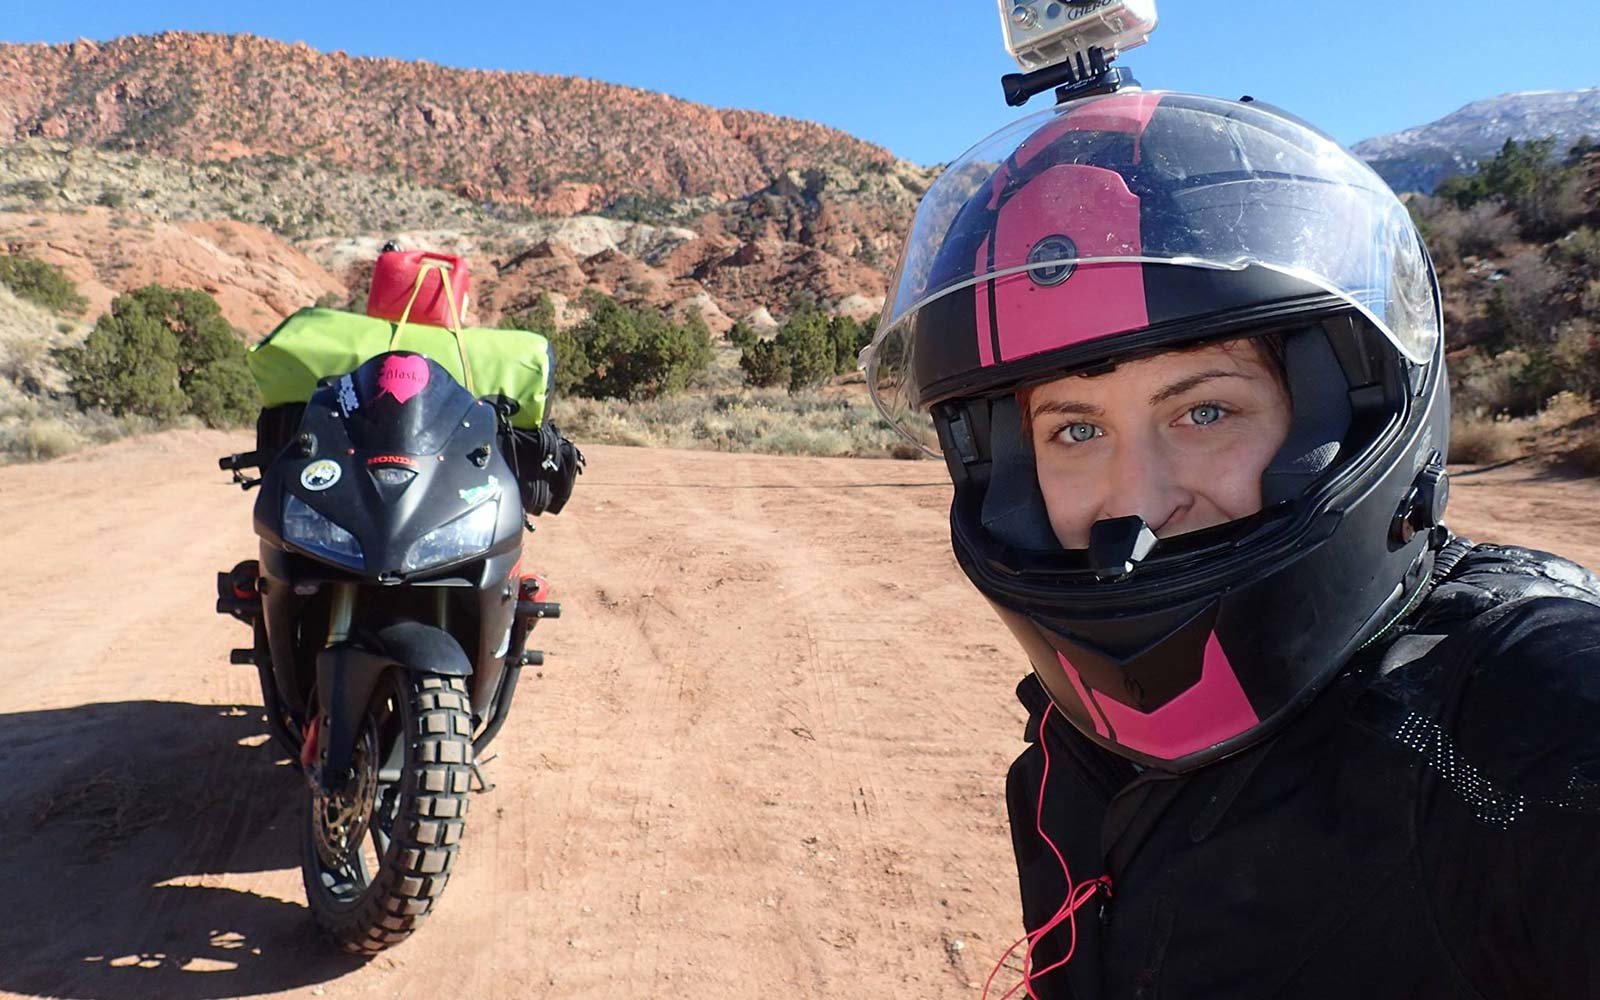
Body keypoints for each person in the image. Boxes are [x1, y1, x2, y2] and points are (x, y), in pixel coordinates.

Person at [862, 90, 1600, 998]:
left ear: (1343, 414)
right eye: (1075, 430)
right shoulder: (1072, 748)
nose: (1138, 505)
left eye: (1204, 411)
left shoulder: (1515, 721)